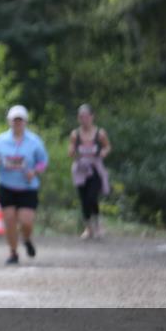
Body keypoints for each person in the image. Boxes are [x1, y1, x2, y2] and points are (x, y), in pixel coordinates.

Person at [0, 105, 49, 265]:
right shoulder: (0, 140)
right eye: (14, 120)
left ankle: (26, 239)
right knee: (10, 220)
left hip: (27, 187)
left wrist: (34, 172)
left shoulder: (34, 141)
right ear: (9, 121)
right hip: (6, 186)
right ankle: (13, 252)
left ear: (25, 122)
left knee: (26, 221)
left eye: (20, 120)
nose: (17, 123)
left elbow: (43, 161)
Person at [68, 103, 112, 240]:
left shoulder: (100, 133)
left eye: (86, 117)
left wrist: (103, 152)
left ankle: (98, 225)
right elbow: (71, 150)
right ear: (78, 118)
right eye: (81, 117)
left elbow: (107, 147)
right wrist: (72, 152)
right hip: (81, 169)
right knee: (83, 200)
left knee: (92, 197)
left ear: (92, 117)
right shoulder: (75, 134)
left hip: (95, 169)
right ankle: (88, 228)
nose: (84, 119)